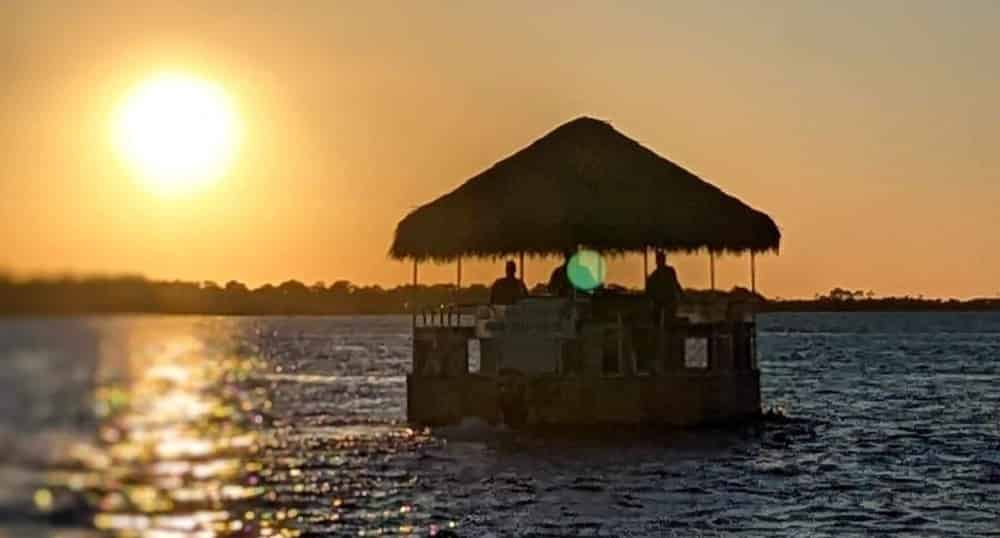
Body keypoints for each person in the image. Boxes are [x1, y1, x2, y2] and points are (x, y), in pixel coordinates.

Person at [646, 250, 683, 319]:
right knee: (657, 316)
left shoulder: (670, 271)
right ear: (656, 262)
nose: (661, 262)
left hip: (669, 300)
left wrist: (681, 293)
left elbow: (675, 283)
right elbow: (650, 290)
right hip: (659, 301)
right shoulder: (654, 275)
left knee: (669, 317)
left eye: (662, 260)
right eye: (659, 260)